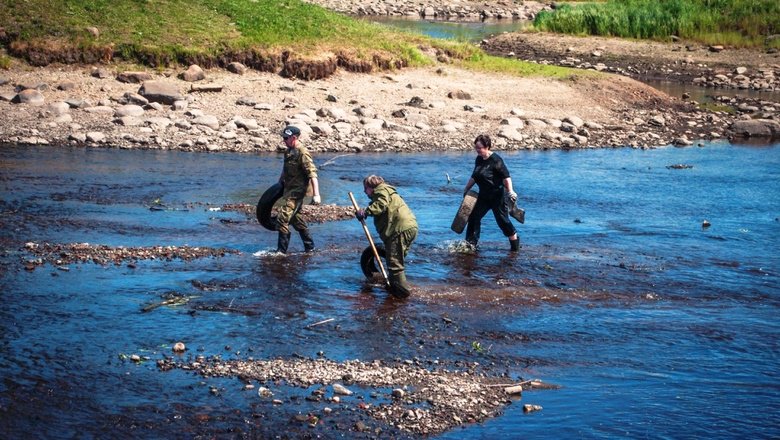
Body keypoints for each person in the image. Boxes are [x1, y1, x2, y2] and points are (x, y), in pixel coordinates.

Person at [355, 175, 418, 298]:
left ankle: (402, 295)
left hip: (399, 229)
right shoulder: (389, 191)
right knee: (396, 258)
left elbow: (381, 204)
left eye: (365, 188)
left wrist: (365, 211)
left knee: (395, 263)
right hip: (410, 226)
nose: (364, 191)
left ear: (372, 187)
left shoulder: (381, 191)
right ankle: (394, 284)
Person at [462, 134, 520, 251]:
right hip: (483, 195)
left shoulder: (496, 160)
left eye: (479, 148)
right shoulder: (479, 159)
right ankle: (471, 245)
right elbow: (475, 175)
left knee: (502, 221)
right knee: (473, 216)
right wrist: (466, 189)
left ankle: (514, 243)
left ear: (487, 146)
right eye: (476, 148)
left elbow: (506, 177)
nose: (477, 150)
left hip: (497, 196)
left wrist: (510, 191)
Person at [275, 125, 321, 253]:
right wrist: (278, 184)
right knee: (296, 220)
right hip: (288, 190)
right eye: (283, 138)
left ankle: (281, 252)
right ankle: (310, 248)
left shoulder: (302, 152)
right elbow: (285, 169)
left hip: (297, 192)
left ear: (294, 138)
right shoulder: (288, 151)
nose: (283, 140)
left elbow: (312, 174)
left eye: (286, 138)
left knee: (282, 218)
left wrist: (316, 195)